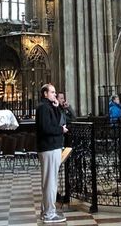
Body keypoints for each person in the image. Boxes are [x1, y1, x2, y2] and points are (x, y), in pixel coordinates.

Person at [35, 83, 68, 224]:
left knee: (50, 181)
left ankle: (46, 211)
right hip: (49, 148)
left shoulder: (48, 107)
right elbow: (47, 128)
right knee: (50, 183)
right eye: (53, 92)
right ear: (45, 94)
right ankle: (49, 214)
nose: (55, 95)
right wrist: (61, 130)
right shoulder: (43, 108)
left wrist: (57, 107)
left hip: (52, 147)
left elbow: (56, 121)